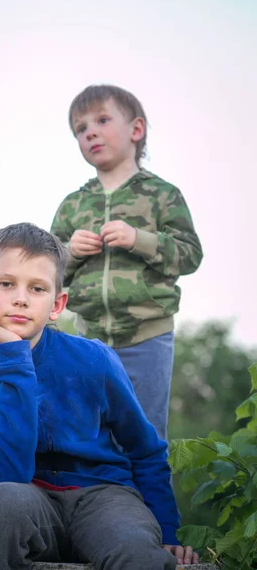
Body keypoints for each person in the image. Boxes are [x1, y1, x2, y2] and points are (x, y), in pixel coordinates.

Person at [0, 222, 199, 570]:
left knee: (135, 550)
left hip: (105, 499)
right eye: (6, 283)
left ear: (57, 304)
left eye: (37, 288)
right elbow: (10, 470)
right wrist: (11, 356)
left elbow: (145, 449)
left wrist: (168, 530)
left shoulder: (93, 359)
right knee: (2, 504)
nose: (21, 297)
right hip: (24, 502)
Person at [51, 84, 203, 441]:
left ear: (136, 130)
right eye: (80, 128)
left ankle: (147, 500)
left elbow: (190, 254)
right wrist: (70, 251)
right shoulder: (73, 205)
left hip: (147, 337)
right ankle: (93, 497)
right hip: (88, 340)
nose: (89, 132)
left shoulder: (162, 195)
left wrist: (140, 240)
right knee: (88, 434)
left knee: (145, 436)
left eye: (102, 120)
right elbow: (47, 270)